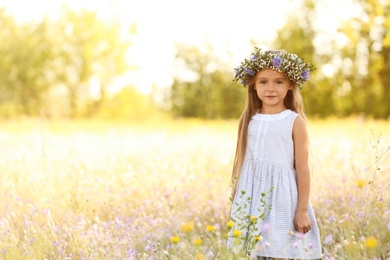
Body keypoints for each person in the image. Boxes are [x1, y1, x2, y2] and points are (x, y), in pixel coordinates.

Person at [227, 47, 322, 259]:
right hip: (250, 194)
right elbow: (241, 160)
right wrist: (235, 198)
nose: (271, 88)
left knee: (281, 248)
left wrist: (302, 210)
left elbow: (303, 168)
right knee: (251, 250)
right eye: (263, 82)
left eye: (278, 81)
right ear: (253, 86)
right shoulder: (249, 120)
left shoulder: (294, 121)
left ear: (290, 85)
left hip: (282, 196)